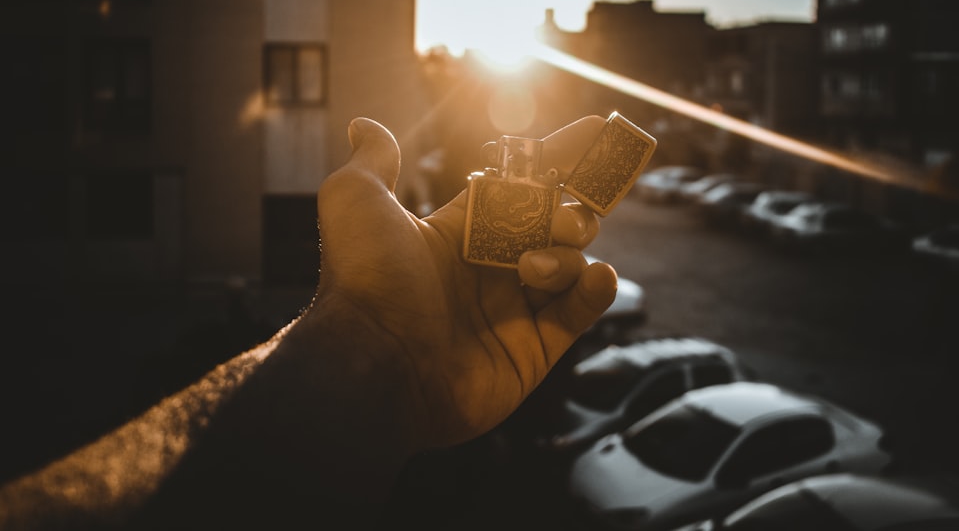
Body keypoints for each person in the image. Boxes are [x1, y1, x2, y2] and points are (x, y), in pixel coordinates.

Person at [0, 115, 618, 531]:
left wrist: (373, 350)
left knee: (571, 260)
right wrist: (376, 334)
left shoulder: (504, 189)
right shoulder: (481, 188)